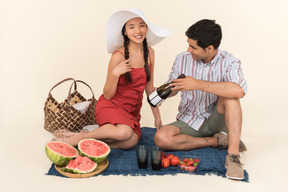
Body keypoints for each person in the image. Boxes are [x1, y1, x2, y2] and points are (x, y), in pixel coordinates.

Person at [52, 9, 171, 149]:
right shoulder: (118, 56)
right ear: (125, 32)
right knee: (124, 132)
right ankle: (78, 138)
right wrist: (115, 73)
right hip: (111, 106)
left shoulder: (150, 53)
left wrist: (157, 117)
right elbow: (108, 95)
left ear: (147, 28)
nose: (138, 31)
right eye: (131, 27)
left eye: (142, 25)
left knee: (131, 141)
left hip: (131, 112)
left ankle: (82, 136)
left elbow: (150, 89)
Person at [153, 19, 247, 180]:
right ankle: (216, 141)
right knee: (160, 138)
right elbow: (174, 88)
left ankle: (233, 156)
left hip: (215, 117)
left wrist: (197, 84)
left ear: (210, 48)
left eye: (193, 47)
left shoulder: (230, 62)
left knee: (231, 98)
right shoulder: (182, 59)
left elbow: (239, 90)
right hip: (189, 119)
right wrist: (165, 92)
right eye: (188, 44)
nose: (189, 50)